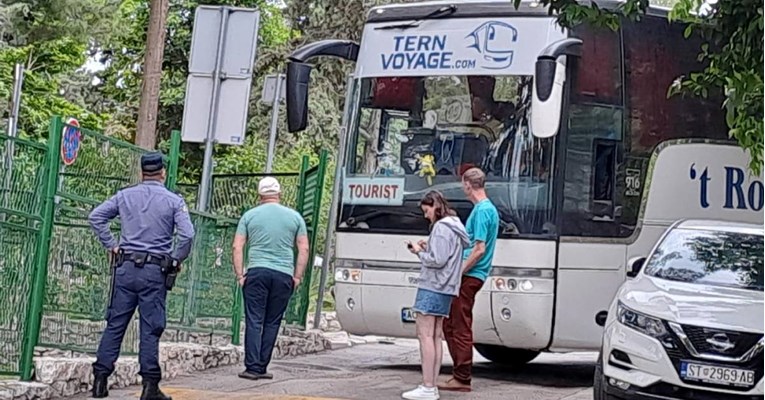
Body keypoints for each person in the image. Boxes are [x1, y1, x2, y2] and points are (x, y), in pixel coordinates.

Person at [89, 152, 195, 400]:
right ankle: (149, 386)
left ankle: (100, 381)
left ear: (142, 172)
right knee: (150, 328)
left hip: (124, 268)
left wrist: (111, 244)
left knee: (115, 324)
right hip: (154, 271)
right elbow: (188, 234)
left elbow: (96, 217)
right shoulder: (173, 201)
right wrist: (176, 259)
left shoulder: (125, 195)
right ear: (162, 173)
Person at [232, 176, 309, 380]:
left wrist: (240, 274)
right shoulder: (295, 218)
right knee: (272, 321)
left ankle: (251, 367)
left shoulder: (249, 216)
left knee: (254, 320)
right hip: (284, 274)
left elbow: (237, 246)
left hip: (257, 272)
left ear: (260, 195)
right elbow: (304, 248)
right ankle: (262, 367)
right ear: (279, 194)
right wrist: (297, 276)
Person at [403, 191, 469, 400]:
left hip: (433, 285)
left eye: (426, 210)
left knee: (425, 336)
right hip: (447, 287)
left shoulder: (441, 228)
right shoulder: (455, 226)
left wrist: (418, 252)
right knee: (436, 336)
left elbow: (437, 260)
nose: (425, 216)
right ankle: (431, 384)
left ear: (435, 207)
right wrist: (429, 245)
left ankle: (428, 385)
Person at [439, 167, 499, 393]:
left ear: (467, 184)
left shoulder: (483, 211)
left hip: (469, 275)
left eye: (463, 183)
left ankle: (462, 376)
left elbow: (479, 249)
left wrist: (459, 271)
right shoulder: (486, 209)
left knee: (459, 324)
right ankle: (459, 372)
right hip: (470, 274)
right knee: (451, 323)